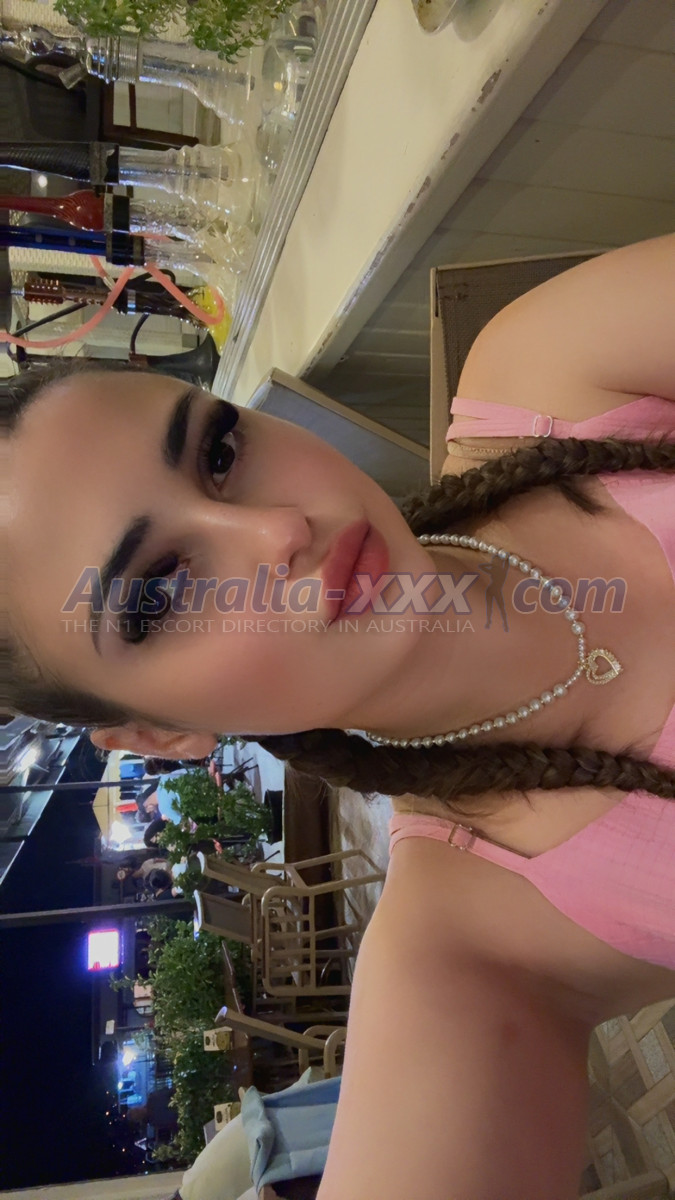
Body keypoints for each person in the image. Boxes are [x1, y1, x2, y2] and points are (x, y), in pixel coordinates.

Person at [5, 233, 675, 1199]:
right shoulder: (470, 946)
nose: (278, 530)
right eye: (158, 594)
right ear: (157, 736)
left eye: (220, 452)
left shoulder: (551, 370)